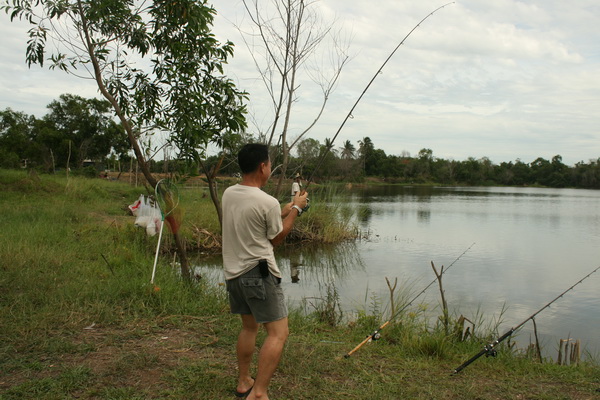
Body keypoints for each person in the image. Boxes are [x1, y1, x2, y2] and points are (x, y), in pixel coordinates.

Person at [222, 143, 309, 400]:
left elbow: (261, 217)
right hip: (259, 275)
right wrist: (297, 209)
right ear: (262, 166)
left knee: (249, 328)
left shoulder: (229, 194)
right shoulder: (266, 201)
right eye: (270, 164)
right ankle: (258, 393)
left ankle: (243, 381)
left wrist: (288, 206)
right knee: (278, 333)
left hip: (234, 274)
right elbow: (276, 237)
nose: (270, 168)